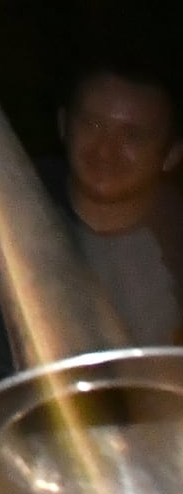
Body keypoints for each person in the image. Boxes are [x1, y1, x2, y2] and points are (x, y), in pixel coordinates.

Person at [54, 64, 183, 348]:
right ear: (64, 125)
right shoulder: (6, 200)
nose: (105, 150)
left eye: (133, 136)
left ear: (171, 154)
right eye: (93, 124)